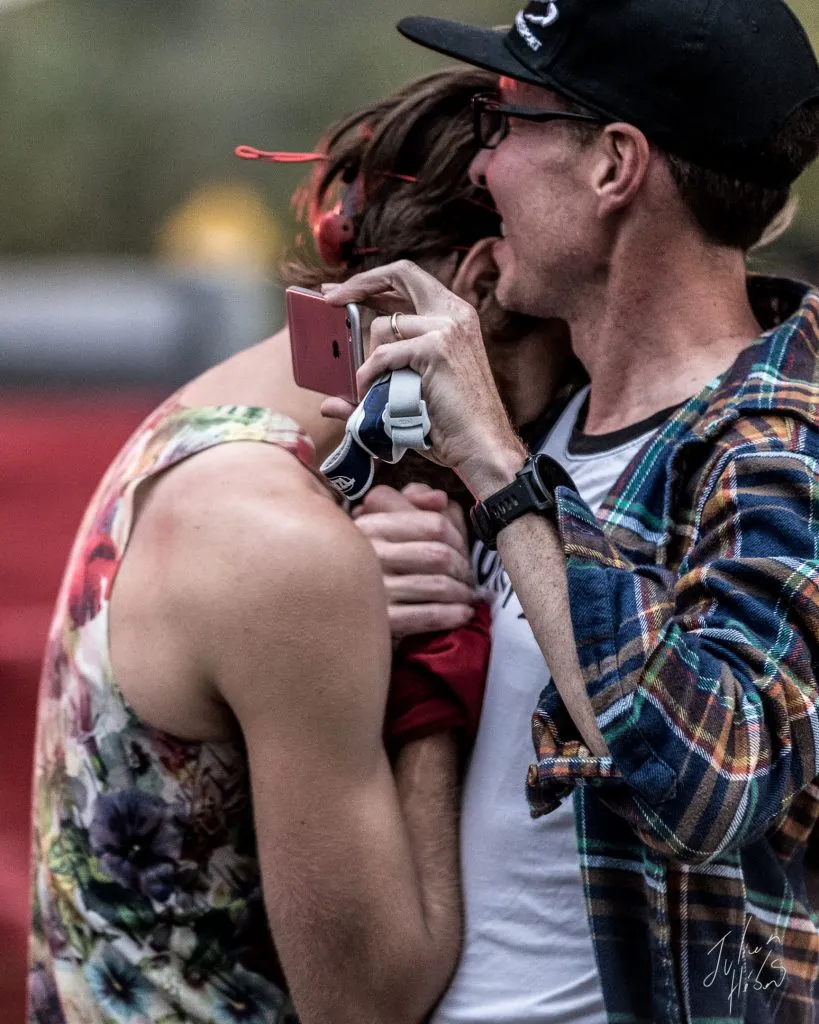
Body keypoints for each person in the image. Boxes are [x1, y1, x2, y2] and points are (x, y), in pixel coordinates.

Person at [27, 67, 573, 1024]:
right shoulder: (288, 548)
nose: (562, 407)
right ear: (480, 284)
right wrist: (433, 655)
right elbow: (371, 1001)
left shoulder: (205, 419)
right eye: (566, 356)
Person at [321, 1, 819, 1020]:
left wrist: (499, 470)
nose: (479, 167)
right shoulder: (553, 411)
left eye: (508, 119)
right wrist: (398, 570)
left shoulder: (784, 446)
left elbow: (705, 780)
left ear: (614, 166)